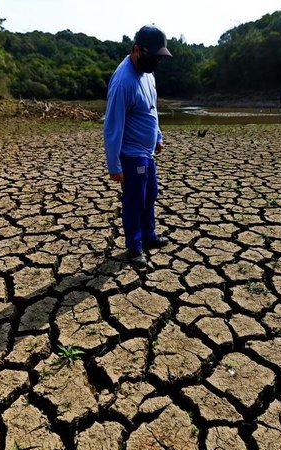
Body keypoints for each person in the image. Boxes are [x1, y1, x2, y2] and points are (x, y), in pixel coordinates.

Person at [103, 25, 172, 268]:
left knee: (150, 194)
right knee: (135, 200)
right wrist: (114, 165)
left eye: (159, 59)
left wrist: (158, 136)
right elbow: (112, 126)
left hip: (148, 153)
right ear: (137, 50)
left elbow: (151, 109)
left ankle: (149, 236)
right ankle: (134, 246)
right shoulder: (123, 81)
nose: (156, 63)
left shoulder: (148, 73)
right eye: (153, 57)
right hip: (132, 156)